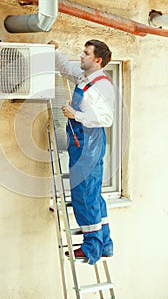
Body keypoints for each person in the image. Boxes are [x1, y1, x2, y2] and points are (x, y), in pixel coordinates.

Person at [49, 39, 115, 265]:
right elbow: (67, 68)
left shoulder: (101, 86)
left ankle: (90, 248)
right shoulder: (86, 77)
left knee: (84, 193)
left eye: (86, 54)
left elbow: (106, 118)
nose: (81, 56)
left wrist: (74, 115)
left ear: (98, 60)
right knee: (93, 192)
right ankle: (104, 244)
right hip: (83, 140)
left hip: (89, 140)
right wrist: (54, 52)